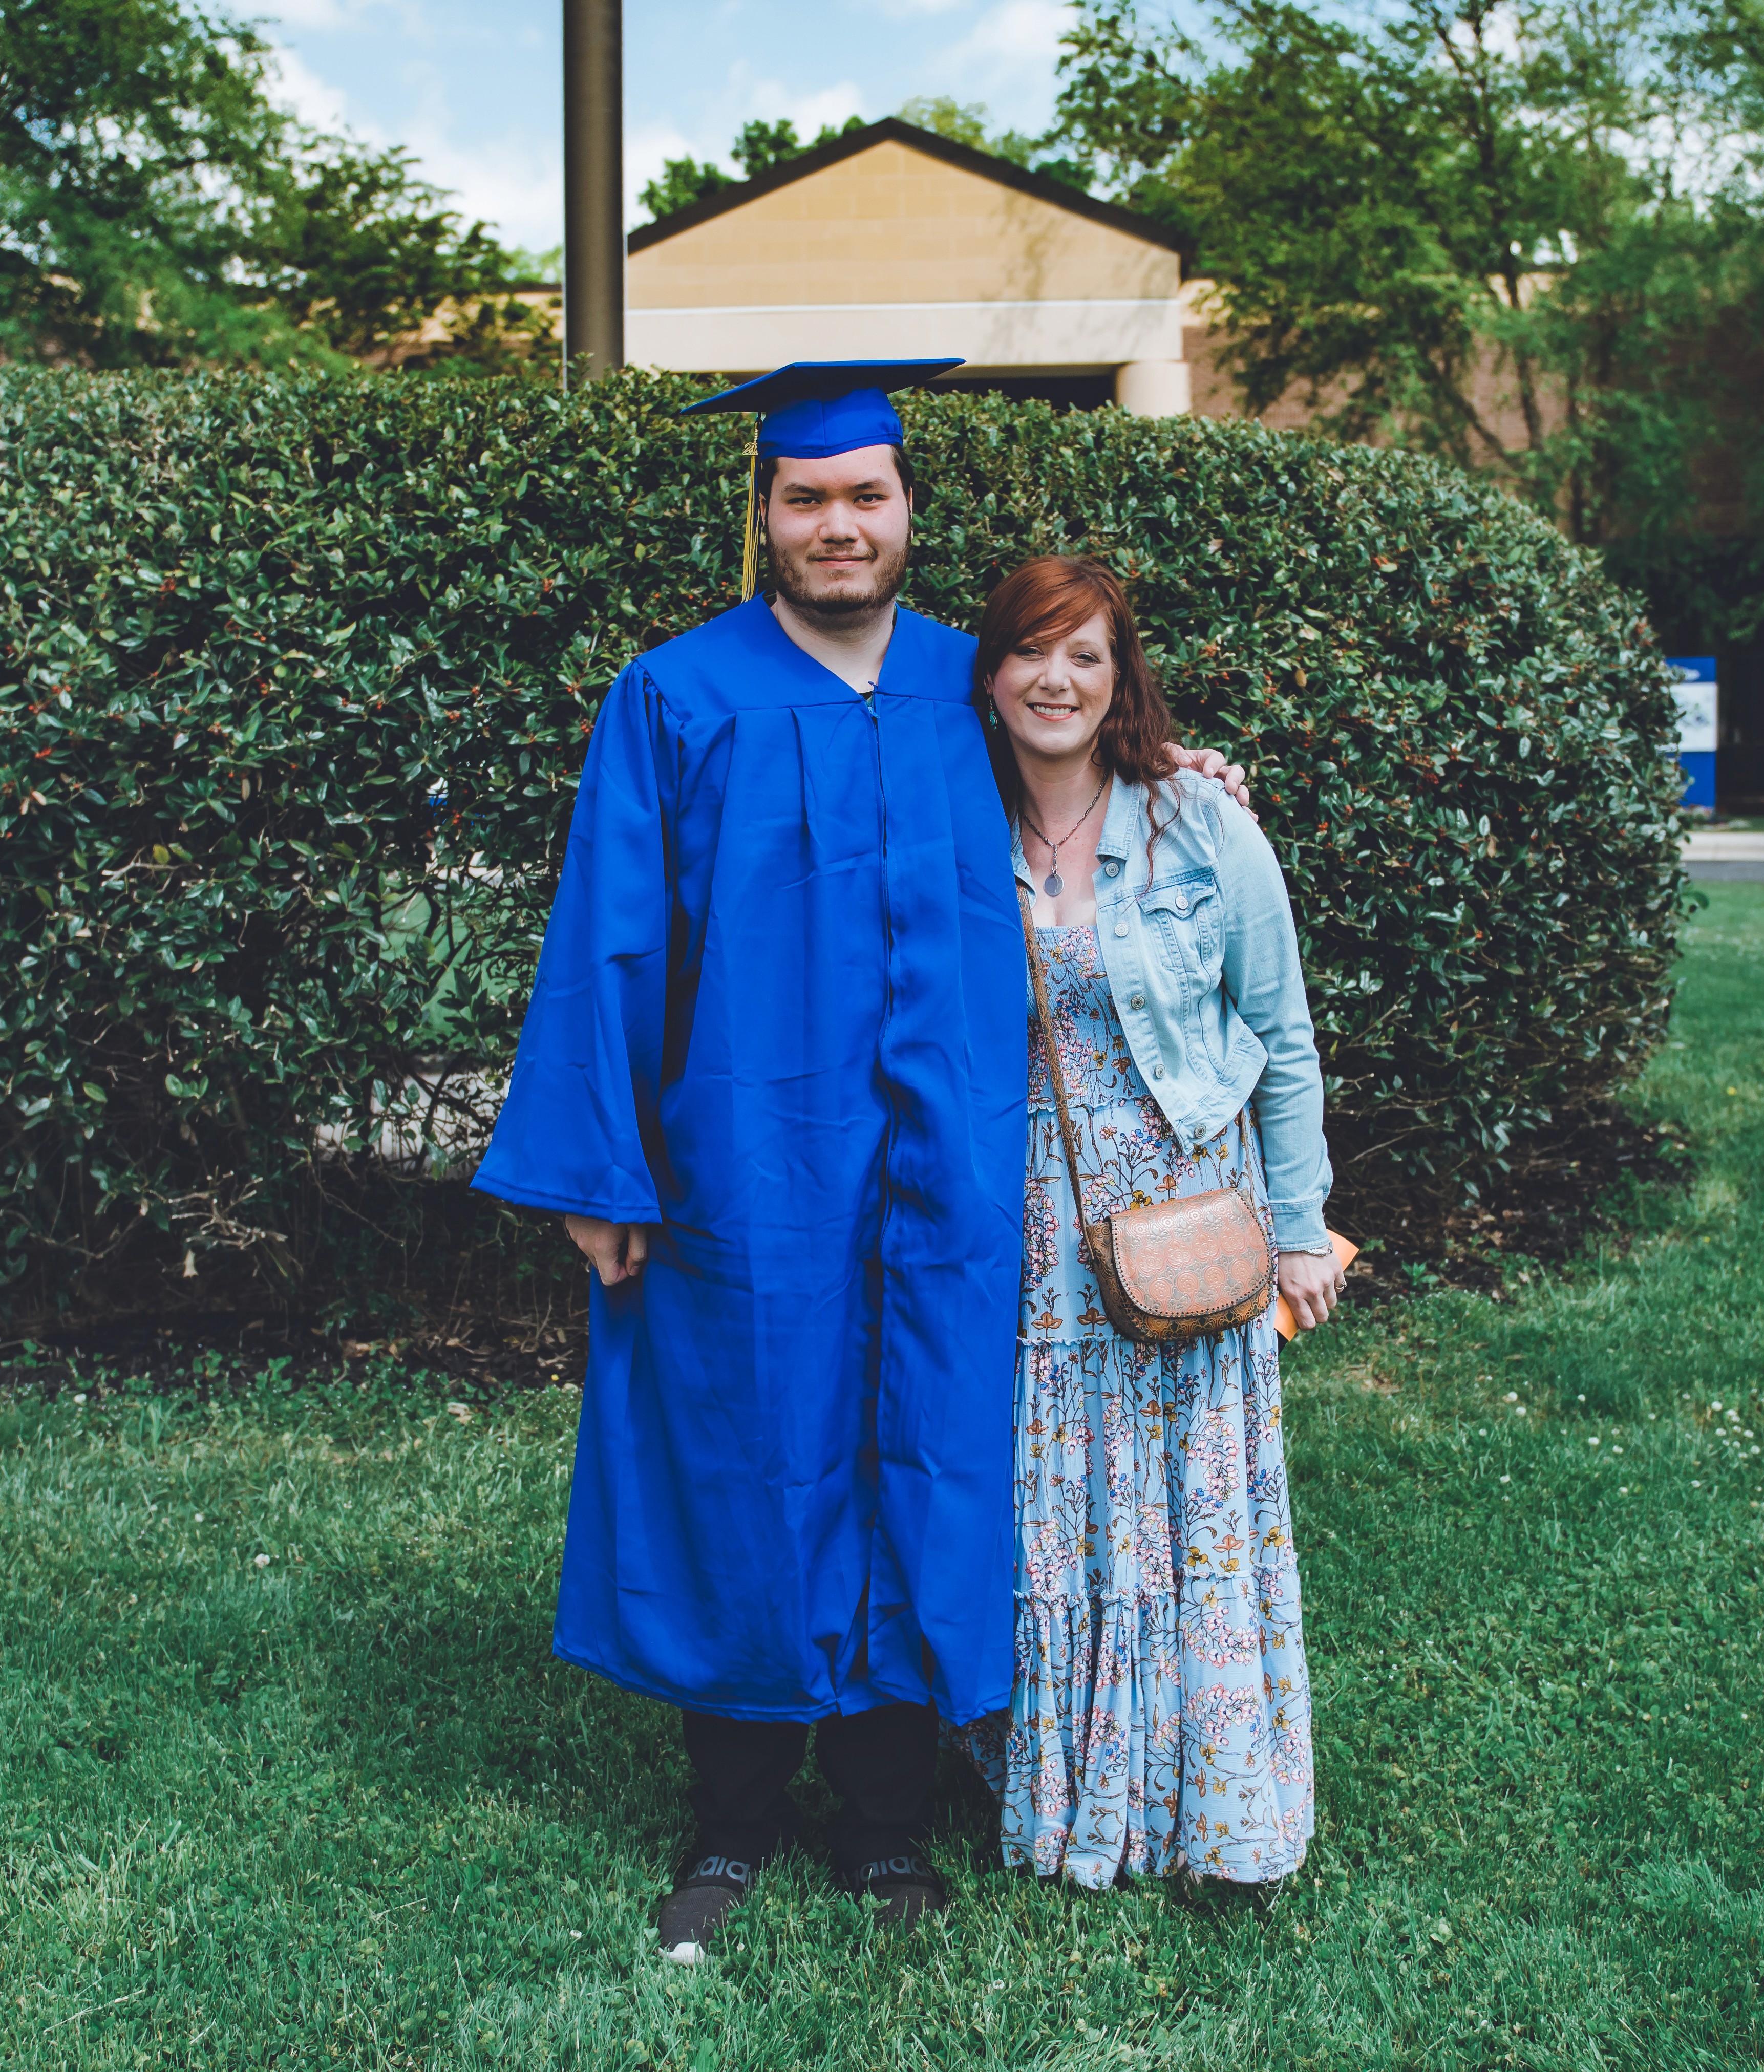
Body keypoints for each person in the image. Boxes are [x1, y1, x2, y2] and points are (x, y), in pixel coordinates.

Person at [470, 364, 1251, 1961]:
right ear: (760, 514)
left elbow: (1088, 792)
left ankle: (889, 1825)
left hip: (953, 1174)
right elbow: (610, 943)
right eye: (806, 498)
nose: (840, 524)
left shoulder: (975, 688)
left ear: (908, 511)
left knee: (931, 1460)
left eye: (867, 496)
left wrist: (1190, 789)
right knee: (755, 1458)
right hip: (745, 1172)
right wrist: (600, 1176)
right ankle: (734, 1824)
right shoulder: (680, 696)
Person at [962, 554, 1336, 1890]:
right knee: (1060, 1511)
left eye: (1085, 656)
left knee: (1191, 1515)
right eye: (1028, 652)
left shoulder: (1198, 822)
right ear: (990, 673)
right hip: (1032, 1225)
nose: (1053, 681)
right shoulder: (959, 812)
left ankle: (1219, 1809)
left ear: (1121, 679)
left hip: (1188, 1203)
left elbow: (1282, 1034)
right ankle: (1077, 1803)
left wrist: (1301, 1229)